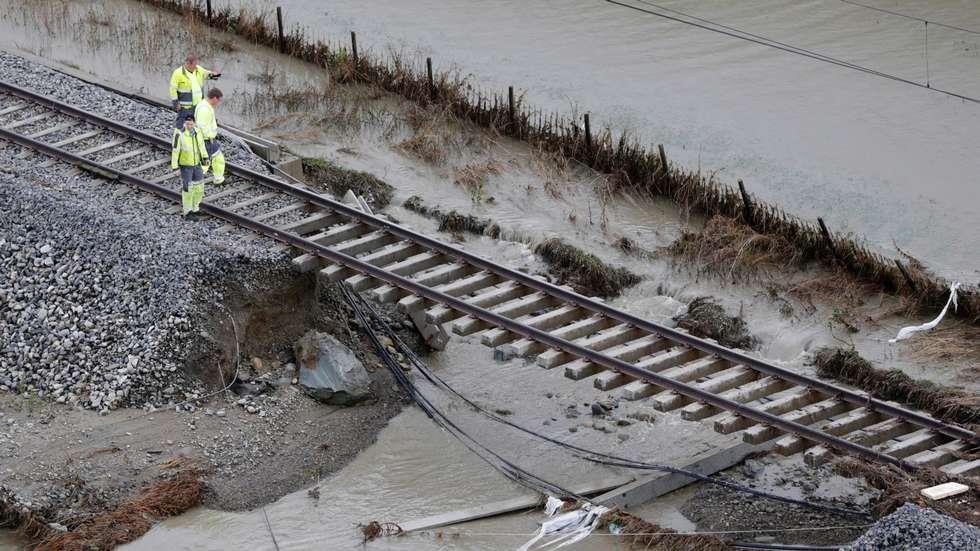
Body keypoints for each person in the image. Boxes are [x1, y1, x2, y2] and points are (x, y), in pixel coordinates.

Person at [171, 115, 210, 218]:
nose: (189, 126)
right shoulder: (180, 134)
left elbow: (201, 146)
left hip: (197, 164)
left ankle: (195, 209)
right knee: (188, 189)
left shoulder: (197, 132)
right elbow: (175, 151)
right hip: (186, 166)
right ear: (184, 123)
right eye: (188, 124)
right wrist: (175, 167)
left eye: (191, 124)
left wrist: (205, 157)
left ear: (194, 124)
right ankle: (187, 212)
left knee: (199, 187)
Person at [168, 54, 221, 128]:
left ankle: (192, 138)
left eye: (196, 64)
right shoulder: (178, 73)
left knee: (195, 126)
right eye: (194, 65)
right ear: (188, 64)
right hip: (185, 107)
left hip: (198, 105)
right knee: (181, 126)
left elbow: (205, 73)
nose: (196, 66)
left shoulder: (198, 69)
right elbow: (173, 89)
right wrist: (175, 103)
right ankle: (179, 137)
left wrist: (213, 75)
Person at [195, 88, 225, 185]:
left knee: (218, 158)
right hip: (205, 140)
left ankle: (219, 179)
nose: (219, 102)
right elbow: (201, 126)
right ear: (215, 98)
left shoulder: (206, 106)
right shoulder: (204, 109)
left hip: (210, 140)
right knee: (204, 165)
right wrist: (209, 135)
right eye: (219, 99)